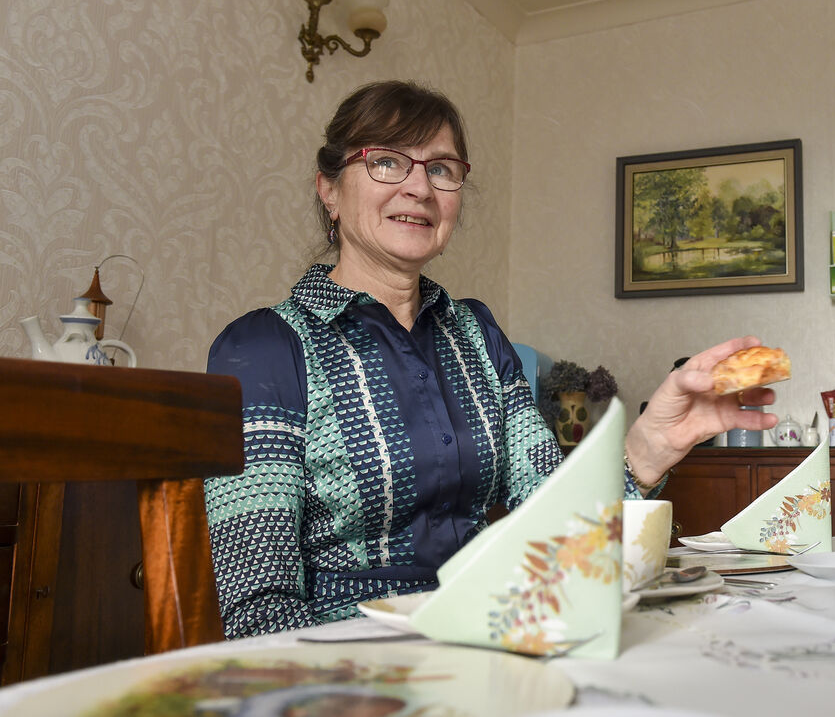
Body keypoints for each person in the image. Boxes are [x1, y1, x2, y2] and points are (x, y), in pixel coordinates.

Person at [203, 80, 777, 639]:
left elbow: (560, 531)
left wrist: (653, 445)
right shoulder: (265, 348)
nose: (419, 188)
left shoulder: (476, 333)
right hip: (355, 670)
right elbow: (257, 611)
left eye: (441, 169)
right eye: (386, 162)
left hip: (494, 635)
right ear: (329, 188)